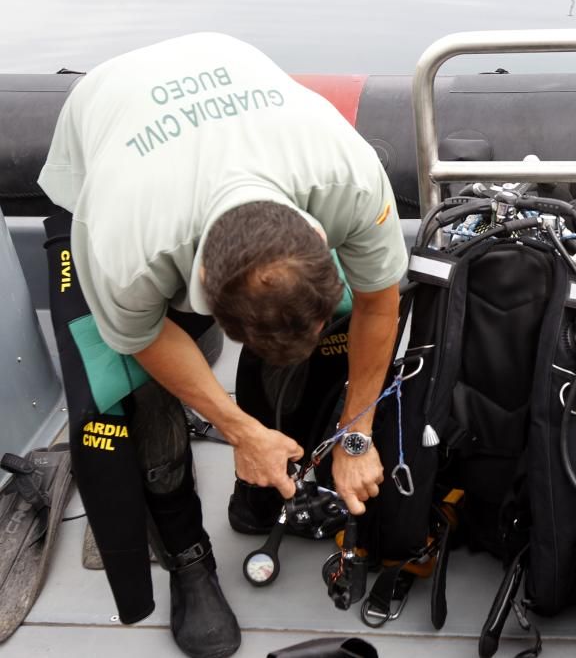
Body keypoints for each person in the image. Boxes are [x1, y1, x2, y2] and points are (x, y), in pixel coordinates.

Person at [38, 32, 407, 658]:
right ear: (203, 293)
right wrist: (237, 430)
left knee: (323, 332)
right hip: (110, 119)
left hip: (226, 75)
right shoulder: (126, 242)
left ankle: (260, 487)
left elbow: (377, 300)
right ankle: (188, 557)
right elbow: (145, 335)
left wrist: (357, 432)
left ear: (319, 235)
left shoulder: (350, 179)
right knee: (125, 390)